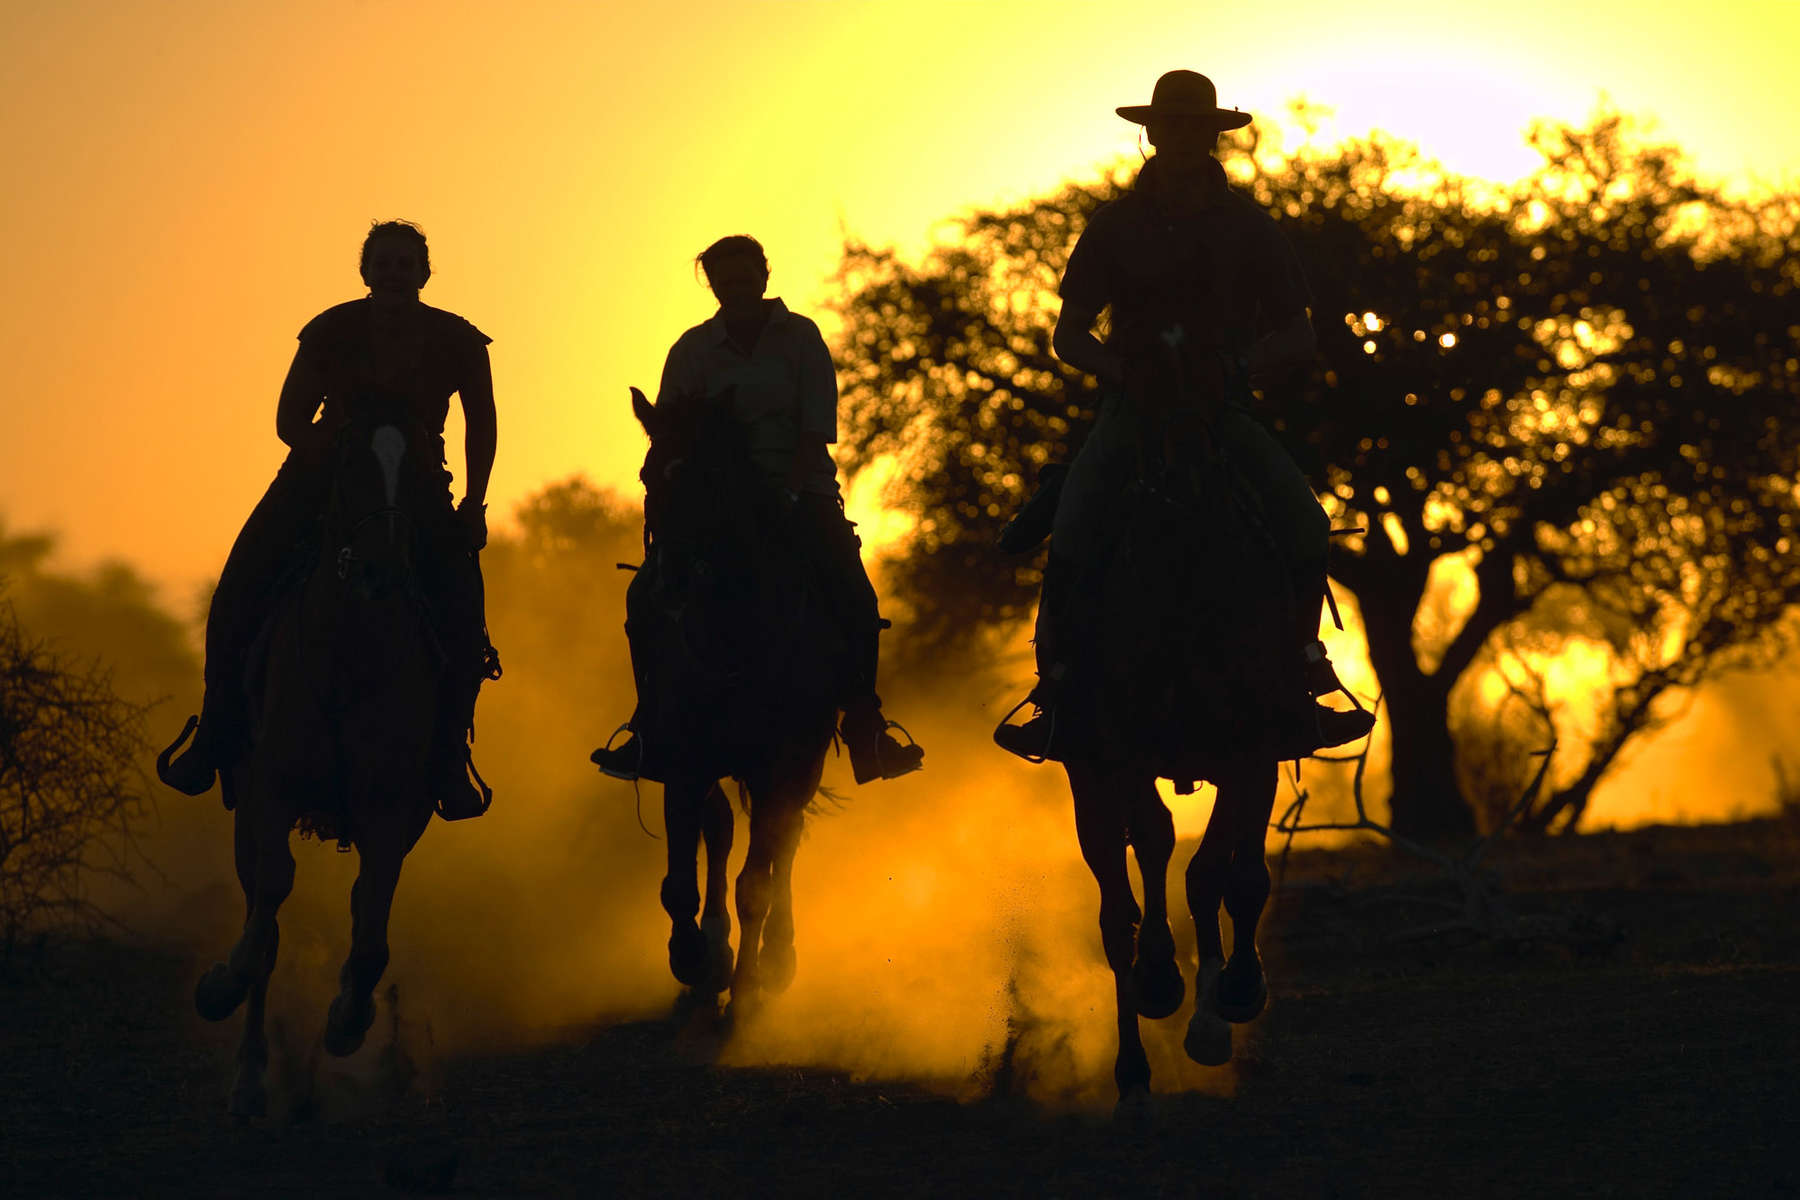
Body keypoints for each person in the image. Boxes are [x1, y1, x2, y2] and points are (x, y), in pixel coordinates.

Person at [994, 70, 1374, 761]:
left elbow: (1298, 335)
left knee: (1305, 522)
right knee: (1074, 522)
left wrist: (1233, 370)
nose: (1182, 137)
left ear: (1213, 136)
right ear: (1151, 133)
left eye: (1196, 127)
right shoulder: (1112, 227)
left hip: (1221, 408)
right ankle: (1058, 692)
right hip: (1130, 410)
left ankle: (1304, 673)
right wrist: (1124, 372)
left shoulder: (1251, 228)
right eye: (1171, 125)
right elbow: (1069, 334)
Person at [158, 220, 497, 816]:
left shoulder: (458, 340)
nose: (393, 272)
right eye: (382, 263)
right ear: (365, 272)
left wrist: (472, 504)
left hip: (415, 487)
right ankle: (215, 732)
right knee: (242, 579)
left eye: (405, 263)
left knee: (465, 604)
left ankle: (447, 753)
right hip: (323, 478)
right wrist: (335, 459)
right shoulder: (330, 330)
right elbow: (289, 421)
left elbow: (482, 425)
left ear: (424, 272)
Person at [591, 235, 923, 785]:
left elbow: (816, 429)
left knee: (854, 593)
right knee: (646, 595)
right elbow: (671, 431)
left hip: (802, 491)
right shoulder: (691, 350)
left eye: (744, 278)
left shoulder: (801, 338)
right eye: (724, 281)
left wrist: (789, 492)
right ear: (713, 286)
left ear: (763, 278)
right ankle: (649, 724)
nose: (736, 288)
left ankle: (865, 723)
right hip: (713, 500)